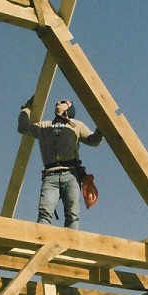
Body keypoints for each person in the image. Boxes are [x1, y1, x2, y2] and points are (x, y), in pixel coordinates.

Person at [18, 96, 102, 229]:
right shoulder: (45, 126)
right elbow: (23, 128)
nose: (57, 102)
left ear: (69, 108)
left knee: (72, 215)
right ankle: (41, 242)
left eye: (63, 102)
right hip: (50, 176)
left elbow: (93, 140)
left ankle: (70, 246)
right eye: (57, 101)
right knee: (45, 214)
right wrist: (26, 109)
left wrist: (102, 125)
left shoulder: (76, 125)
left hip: (71, 175)